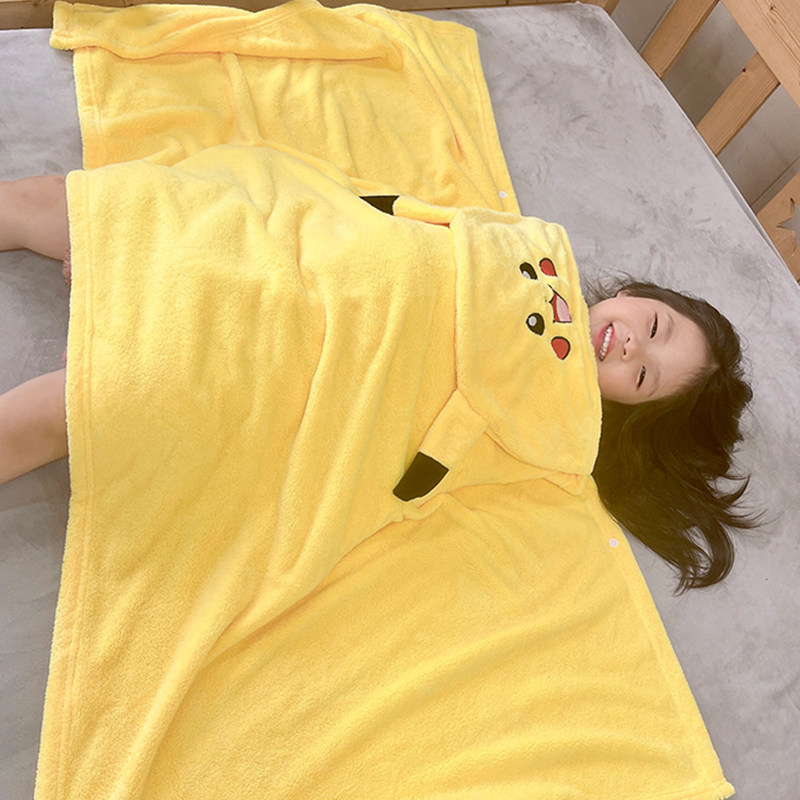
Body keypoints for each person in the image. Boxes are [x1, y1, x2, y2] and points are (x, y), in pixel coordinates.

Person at [0, 174, 757, 590]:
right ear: (640, 295)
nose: (630, 346)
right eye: (654, 324)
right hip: (303, 258)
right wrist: (335, 211)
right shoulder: (533, 248)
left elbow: (423, 462)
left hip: (301, 359)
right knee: (87, 205)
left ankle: (137, 322)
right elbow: (416, 220)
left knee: (85, 407)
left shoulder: (550, 424)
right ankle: (138, 276)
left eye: (642, 375)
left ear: (624, 408)